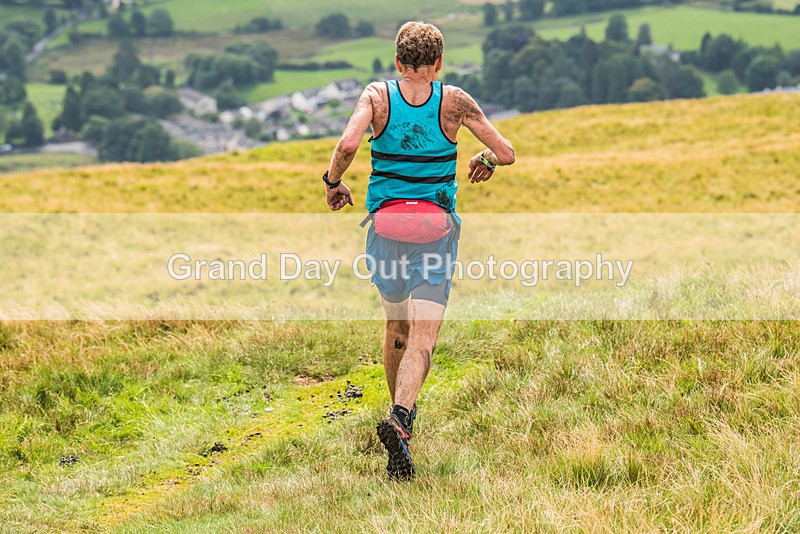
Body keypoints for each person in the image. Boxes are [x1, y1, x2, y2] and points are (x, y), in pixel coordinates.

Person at [323, 21, 515, 480]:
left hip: (386, 231)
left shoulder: (376, 96)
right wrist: (483, 160)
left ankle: (396, 416)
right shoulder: (454, 101)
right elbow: (505, 152)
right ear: (439, 63)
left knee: (397, 325)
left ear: (397, 62)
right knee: (425, 336)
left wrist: (333, 183)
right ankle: (401, 419)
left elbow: (349, 142)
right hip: (435, 232)